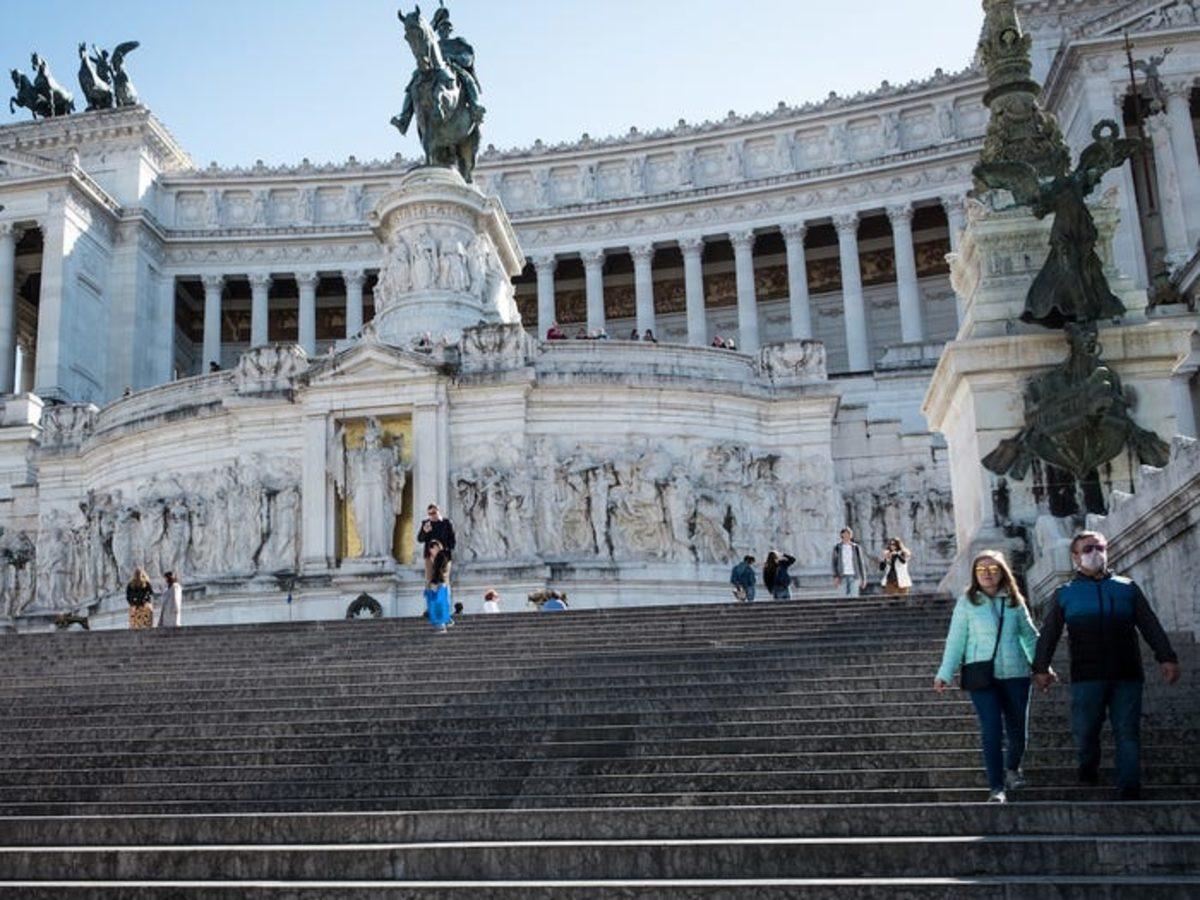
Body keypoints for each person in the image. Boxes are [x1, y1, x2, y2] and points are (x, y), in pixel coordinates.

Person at [1032, 530, 1180, 801]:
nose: (1095, 553)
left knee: (1127, 730)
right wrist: (1041, 668)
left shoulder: (1127, 587)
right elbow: (1049, 633)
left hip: (1127, 673)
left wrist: (1166, 657)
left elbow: (1149, 624)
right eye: (1087, 549)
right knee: (1086, 729)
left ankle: (1129, 785)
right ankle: (1088, 767)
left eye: (1099, 548)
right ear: (1075, 557)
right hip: (1087, 676)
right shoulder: (1065, 593)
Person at [934, 550, 1041, 803]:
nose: (987, 575)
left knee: (1018, 733)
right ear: (974, 575)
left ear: (1002, 573)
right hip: (981, 675)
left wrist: (1041, 667)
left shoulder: (1015, 601)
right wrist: (945, 673)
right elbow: (956, 641)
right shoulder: (967, 602)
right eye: (981, 570)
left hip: (1016, 673)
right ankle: (996, 787)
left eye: (993, 570)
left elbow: (1029, 636)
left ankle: (1013, 768)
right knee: (991, 729)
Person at [417, 503, 456, 585]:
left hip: (444, 555)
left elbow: (452, 540)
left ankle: (443, 596)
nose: (432, 516)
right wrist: (424, 532)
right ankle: (431, 596)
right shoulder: (426, 524)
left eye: (434, 513)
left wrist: (443, 550)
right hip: (430, 557)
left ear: (438, 511)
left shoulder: (446, 523)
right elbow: (420, 539)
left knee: (443, 579)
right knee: (430, 580)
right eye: (429, 514)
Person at [423, 538, 453, 633]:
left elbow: (443, 572)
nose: (431, 550)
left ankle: (442, 625)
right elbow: (428, 574)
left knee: (440, 604)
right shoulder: (429, 560)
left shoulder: (443, 557)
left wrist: (435, 583)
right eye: (430, 548)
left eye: (433, 547)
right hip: (433, 584)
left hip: (440, 583)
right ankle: (444, 622)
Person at [831, 528, 867, 598]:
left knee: (854, 597)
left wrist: (863, 578)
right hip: (842, 576)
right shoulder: (837, 547)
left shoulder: (856, 547)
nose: (846, 536)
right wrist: (835, 576)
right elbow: (834, 563)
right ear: (841, 535)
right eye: (845, 534)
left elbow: (861, 563)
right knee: (842, 597)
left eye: (848, 534)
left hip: (854, 575)